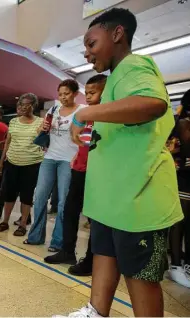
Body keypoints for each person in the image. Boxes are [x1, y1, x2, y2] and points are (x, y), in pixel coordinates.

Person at [58, 8, 183, 317]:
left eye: (91, 43)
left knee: (140, 276)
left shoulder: (134, 65)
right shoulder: (116, 81)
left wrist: (83, 113)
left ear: (117, 34)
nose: (87, 53)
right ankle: (96, 311)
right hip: (113, 199)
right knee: (104, 253)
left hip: (138, 199)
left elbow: (152, 104)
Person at [44, 74, 107, 277]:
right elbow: (79, 139)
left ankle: (90, 260)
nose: (88, 97)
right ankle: (67, 251)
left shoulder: (107, 114)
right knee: (70, 211)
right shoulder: (87, 114)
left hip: (96, 172)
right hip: (79, 168)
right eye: (86, 92)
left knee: (94, 217)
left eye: (92, 92)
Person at [26, 79, 87, 250]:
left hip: (69, 160)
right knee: (39, 198)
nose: (63, 97)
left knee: (63, 203)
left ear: (75, 93)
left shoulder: (83, 111)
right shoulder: (53, 109)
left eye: (66, 93)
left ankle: (58, 242)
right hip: (50, 157)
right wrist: (43, 127)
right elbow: (40, 132)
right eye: (60, 94)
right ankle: (35, 236)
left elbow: (87, 135)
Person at [0, 93, 44, 236]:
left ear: (34, 106)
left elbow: (44, 141)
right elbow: (8, 142)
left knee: (26, 195)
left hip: (32, 163)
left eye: (26, 104)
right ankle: (5, 221)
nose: (22, 107)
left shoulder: (40, 122)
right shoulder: (14, 121)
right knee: (9, 193)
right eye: (21, 104)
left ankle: (23, 224)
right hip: (12, 162)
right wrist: (1, 162)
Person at [168, 89, 190, 288]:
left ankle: (186, 263)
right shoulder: (182, 124)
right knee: (180, 221)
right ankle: (175, 265)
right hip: (182, 177)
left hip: (184, 176)